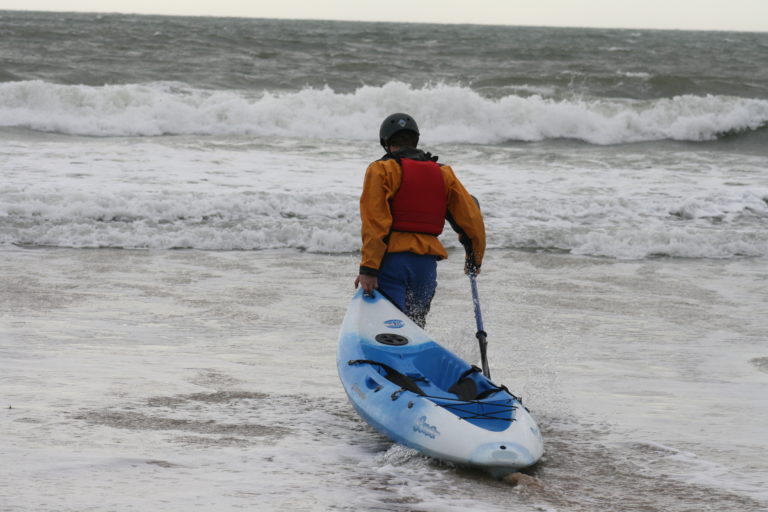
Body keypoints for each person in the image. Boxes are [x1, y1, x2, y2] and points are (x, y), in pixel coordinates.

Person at [354, 113, 486, 328]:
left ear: (386, 143)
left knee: (392, 330)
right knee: (415, 327)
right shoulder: (443, 173)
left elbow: (375, 222)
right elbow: (472, 220)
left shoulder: (382, 170)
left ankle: (386, 361)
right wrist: (474, 259)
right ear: (415, 140)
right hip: (425, 267)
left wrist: (369, 269)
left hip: (392, 263)